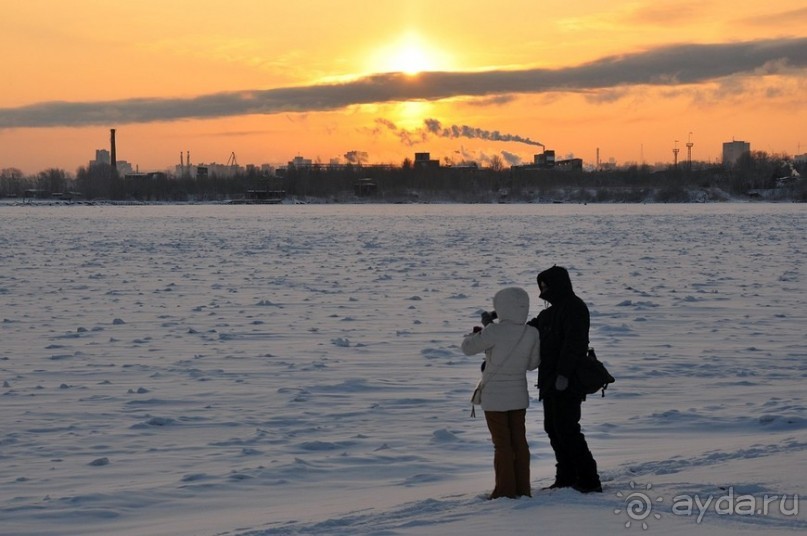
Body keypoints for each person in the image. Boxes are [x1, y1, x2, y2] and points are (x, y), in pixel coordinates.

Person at [527, 266, 603, 493]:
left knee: (567, 428)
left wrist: (563, 374)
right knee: (552, 427)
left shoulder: (575, 308)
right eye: (541, 286)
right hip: (549, 379)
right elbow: (530, 331)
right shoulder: (548, 313)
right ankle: (566, 476)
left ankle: (589, 479)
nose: (543, 290)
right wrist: (501, 327)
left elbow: (575, 344)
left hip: (568, 380)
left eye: (546, 285)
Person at [462, 287, 541, 499]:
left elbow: (468, 348)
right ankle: (522, 488)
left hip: (495, 398)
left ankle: (505, 491)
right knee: (519, 442)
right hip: (518, 397)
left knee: (502, 444)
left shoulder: (494, 331)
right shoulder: (531, 332)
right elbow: (533, 364)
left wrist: (480, 331)